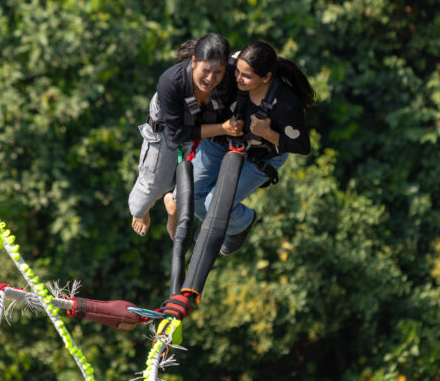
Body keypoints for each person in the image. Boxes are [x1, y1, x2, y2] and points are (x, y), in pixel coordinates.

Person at [189, 40, 314, 256]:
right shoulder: (229, 71)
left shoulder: (285, 104)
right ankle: (221, 223)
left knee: (214, 203)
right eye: (237, 71)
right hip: (224, 139)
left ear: (266, 77)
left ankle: (240, 223)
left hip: (261, 155)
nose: (238, 78)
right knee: (188, 194)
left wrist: (269, 133)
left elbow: (302, 146)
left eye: (246, 76)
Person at [128, 33, 244, 236]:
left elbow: (254, 66)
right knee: (154, 187)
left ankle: (172, 205)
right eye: (206, 71)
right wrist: (222, 128)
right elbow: (177, 135)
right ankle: (141, 211)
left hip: (207, 121)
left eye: (218, 72)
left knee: (193, 188)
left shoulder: (232, 73)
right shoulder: (171, 81)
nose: (210, 79)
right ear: (194, 61)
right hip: (168, 129)